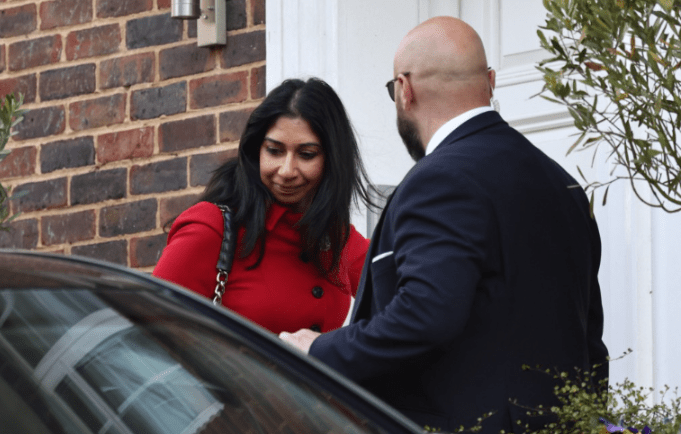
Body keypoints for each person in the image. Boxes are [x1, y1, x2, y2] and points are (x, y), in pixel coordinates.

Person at [280, 17, 609, 433]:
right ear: (490, 81)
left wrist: (320, 349)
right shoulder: (563, 185)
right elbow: (588, 336)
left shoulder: (440, 179)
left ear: (405, 89)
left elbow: (425, 312)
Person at [153, 78, 373, 335]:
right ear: (256, 150)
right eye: (274, 151)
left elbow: (407, 296)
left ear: (332, 160)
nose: (287, 170)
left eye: (306, 154)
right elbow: (147, 332)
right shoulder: (212, 228)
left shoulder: (336, 238)